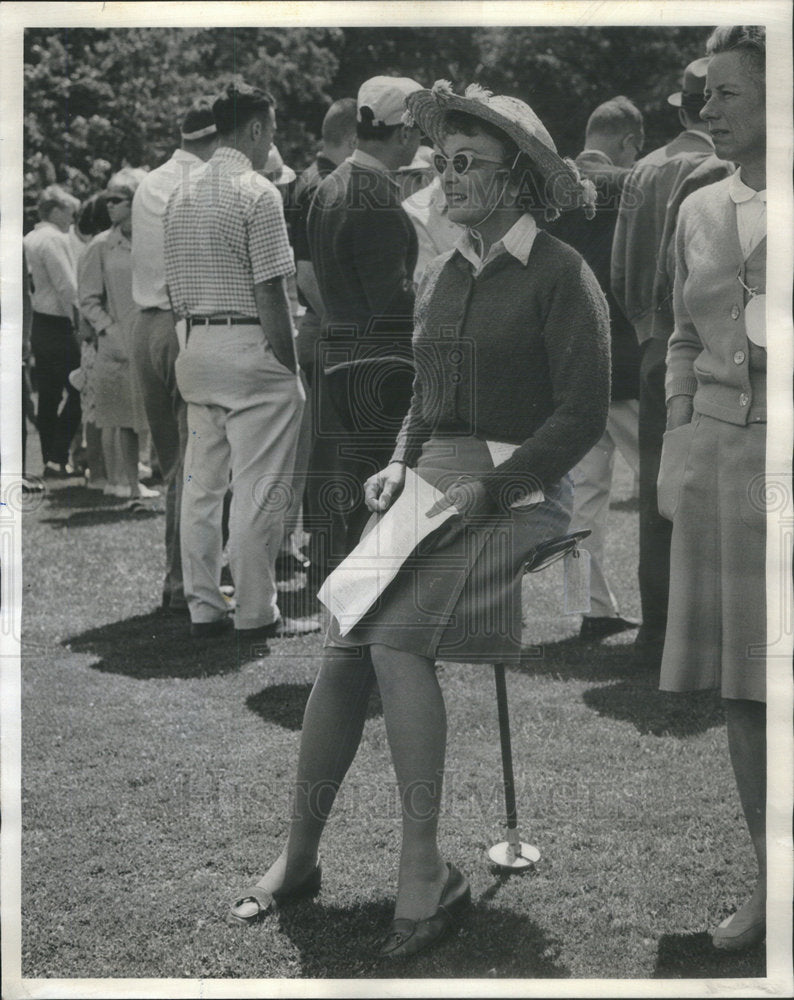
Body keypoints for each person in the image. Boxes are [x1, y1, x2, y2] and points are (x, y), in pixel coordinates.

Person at [227, 81, 610, 961]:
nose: (446, 179)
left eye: (466, 164)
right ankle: (300, 855)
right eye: (443, 163)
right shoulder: (446, 273)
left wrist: (497, 485)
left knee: (394, 639)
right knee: (344, 637)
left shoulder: (561, 273)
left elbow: (582, 415)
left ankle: (423, 871)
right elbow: (425, 402)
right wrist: (400, 460)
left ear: (519, 179)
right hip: (432, 482)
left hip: (520, 489)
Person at [660, 25, 767, 952]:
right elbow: (683, 335)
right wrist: (677, 437)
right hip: (722, 465)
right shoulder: (698, 206)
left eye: (729, 93)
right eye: (706, 93)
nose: (707, 111)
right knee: (745, 686)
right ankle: (774, 883)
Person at [164, 80, 304, 643]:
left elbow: (175, 289)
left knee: (201, 487)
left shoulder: (181, 191)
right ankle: (255, 610)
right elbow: (272, 290)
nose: (272, 140)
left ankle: (203, 606)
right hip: (249, 343)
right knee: (257, 485)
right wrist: (288, 365)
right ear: (254, 129)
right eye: (270, 129)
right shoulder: (258, 192)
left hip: (196, 342)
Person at [611, 56, 722, 668]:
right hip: (706, 345)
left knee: (658, 490)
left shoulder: (644, 169)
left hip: (656, 343)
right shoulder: (724, 169)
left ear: (677, 106)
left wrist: (647, 332)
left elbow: (624, 270)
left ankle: (657, 631)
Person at [307, 76, 423, 553]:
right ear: (403, 133)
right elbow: (391, 304)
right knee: (380, 499)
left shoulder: (330, 186)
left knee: (352, 497)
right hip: (382, 367)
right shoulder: (375, 197)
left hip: (340, 360)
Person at [548, 96, 644, 640]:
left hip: (568, 366)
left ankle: (586, 609)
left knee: (581, 494)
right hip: (627, 359)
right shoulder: (632, 185)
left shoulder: (551, 189)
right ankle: (672, 609)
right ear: (629, 142)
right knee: (659, 485)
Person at [131, 98, 219, 614]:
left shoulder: (150, 180)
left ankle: (181, 576)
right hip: (181, 326)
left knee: (176, 469)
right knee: (195, 469)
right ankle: (183, 582)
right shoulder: (200, 183)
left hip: (144, 326)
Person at [290, 97, 358, 586]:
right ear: (354, 139)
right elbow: (305, 270)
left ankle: (320, 553)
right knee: (330, 452)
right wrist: (340, 318)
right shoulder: (324, 185)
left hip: (318, 327)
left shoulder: (304, 179)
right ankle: (327, 559)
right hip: (327, 327)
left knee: (321, 451)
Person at [78, 169, 159, 500]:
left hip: (153, 335)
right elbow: (87, 299)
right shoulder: (100, 246)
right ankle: (128, 482)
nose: (108, 205)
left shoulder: (154, 237)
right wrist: (107, 329)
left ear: (134, 202)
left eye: (116, 199)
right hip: (118, 343)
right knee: (124, 416)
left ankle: (161, 475)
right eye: (106, 199)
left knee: (156, 413)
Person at [23, 184, 82, 479]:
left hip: (39, 323)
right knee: (80, 388)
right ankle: (59, 454)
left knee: (47, 395)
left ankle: (51, 458)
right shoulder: (54, 239)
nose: (72, 218)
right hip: (60, 323)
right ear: (57, 210)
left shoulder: (30, 238)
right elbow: (68, 288)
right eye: (70, 211)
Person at [70, 193, 113, 492]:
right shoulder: (96, 249)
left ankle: (107, 469)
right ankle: (97, 472)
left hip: (100, 337)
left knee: (103, 407)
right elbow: (85, 301)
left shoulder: (101, 247)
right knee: (97, 410)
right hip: (98, 339)